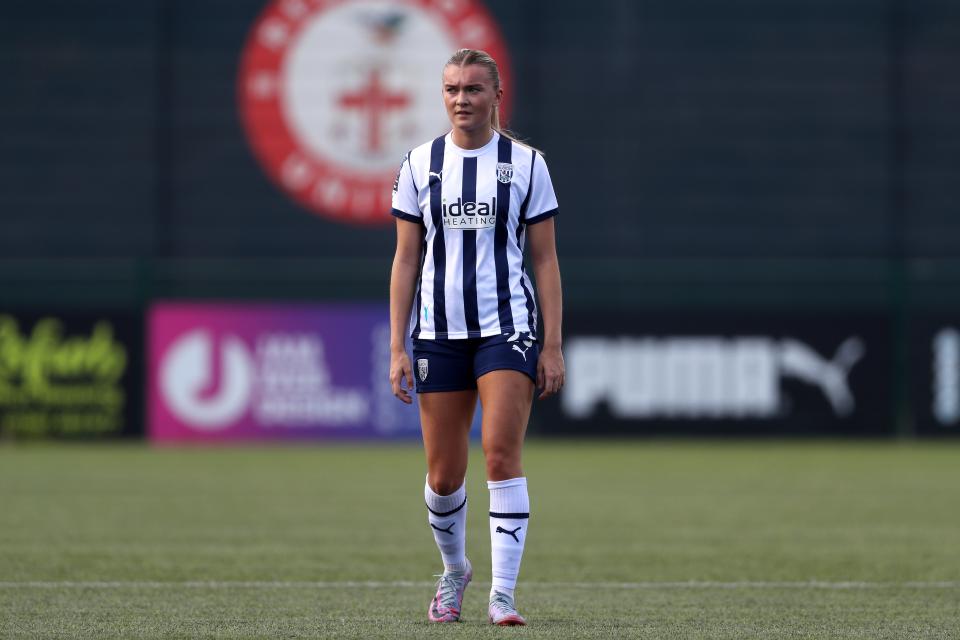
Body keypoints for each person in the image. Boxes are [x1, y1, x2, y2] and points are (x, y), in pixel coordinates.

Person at [389, 48, 564, 627]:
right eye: (452, 90)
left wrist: (552, 343)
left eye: (473, 89)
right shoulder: (419, 165)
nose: (461, 100)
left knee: (500, 454)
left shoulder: (527, 165)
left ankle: (503, 594)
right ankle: (454, 570)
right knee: (443, 476)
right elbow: (406, 259)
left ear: (496, 96)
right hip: (439, 332)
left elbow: (545, 261)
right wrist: (397, 346)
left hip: (507, 328)